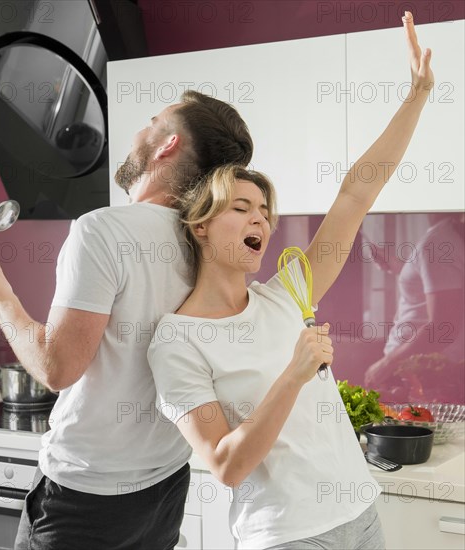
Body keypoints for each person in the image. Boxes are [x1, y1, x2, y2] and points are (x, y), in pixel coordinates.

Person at [148, 13, 433, 549]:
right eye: (242, 208)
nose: (261, 219)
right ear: (202, 225)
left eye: (264, 210)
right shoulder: (177, 340)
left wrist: (416, 96)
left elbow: (355, 196)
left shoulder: (286, 294)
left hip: (361, 516)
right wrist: (294, 375)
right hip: (288, 537)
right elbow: (225, 465)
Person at [0, 90, 253, 549]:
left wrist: (2, 302)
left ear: (167, 145)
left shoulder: (102, 229)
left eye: (152, 121)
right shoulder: (205, 242)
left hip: (85, 494)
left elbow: (57, 368)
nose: (139, 131)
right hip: (164, 484)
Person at [364, 213, 465, 403]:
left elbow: (443, 328)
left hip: (418, 376)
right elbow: (442, 286)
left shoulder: (437, 243)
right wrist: (402, 268)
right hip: (423, 374)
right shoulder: (451, 235)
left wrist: (387, 363)